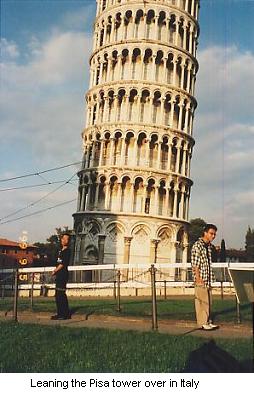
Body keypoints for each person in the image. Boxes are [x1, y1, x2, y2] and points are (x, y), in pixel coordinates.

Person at [191, 223, 219, 330]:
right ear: (205, 233)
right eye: (211, 233)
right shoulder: (197, 245)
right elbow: (195, 264)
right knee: (202, 302)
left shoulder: (208, 247)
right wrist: (198, 278)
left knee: (208, 301)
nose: (213, 236)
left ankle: (208, 321)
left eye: (214, 234)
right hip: (201, 278)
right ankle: (202, 323)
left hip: (208, 278)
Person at [51, 234, 71, 320]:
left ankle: (64, 314)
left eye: (66, 239)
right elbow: (58, 262)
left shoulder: (67, 251)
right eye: (63, 239)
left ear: (68, 241)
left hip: (63, 274)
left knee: (61, 294)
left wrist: (55, 270)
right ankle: (61, 313)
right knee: (58, 294)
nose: (64, 241)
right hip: (59, 274)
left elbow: (62, 264)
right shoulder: (60, 251)